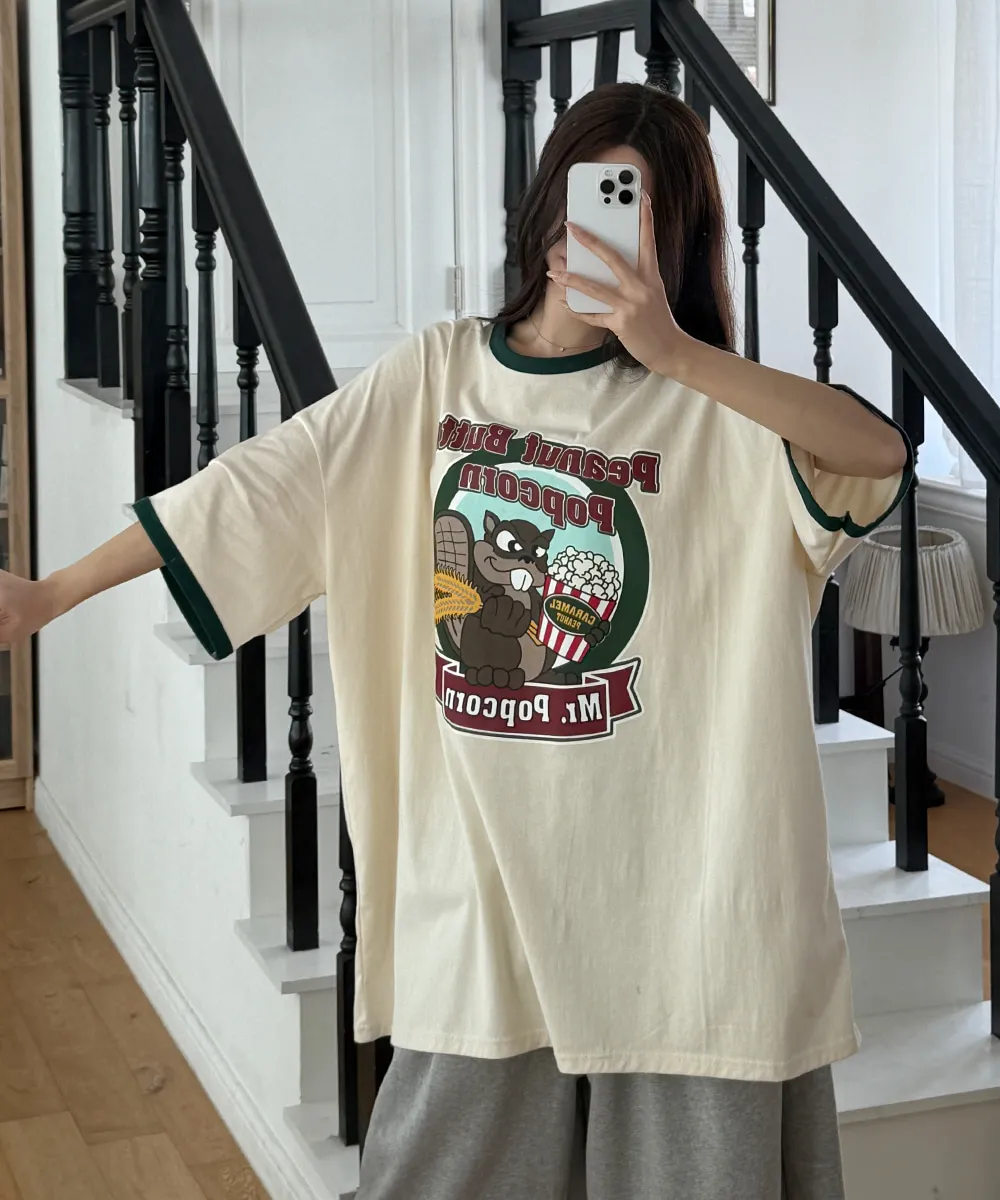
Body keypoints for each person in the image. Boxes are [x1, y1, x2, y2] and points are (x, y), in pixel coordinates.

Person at [7, 84, 910, 1199]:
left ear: (673, 244)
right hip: (481, 902)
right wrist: (50, 594)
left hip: (694, 915)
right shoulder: (435, 377)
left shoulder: (724, 413)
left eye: (636, 212)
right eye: (587, 197)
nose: (597, 234)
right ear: (543, 211)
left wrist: (675, 355)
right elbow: (253, 489)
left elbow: (876, 455)